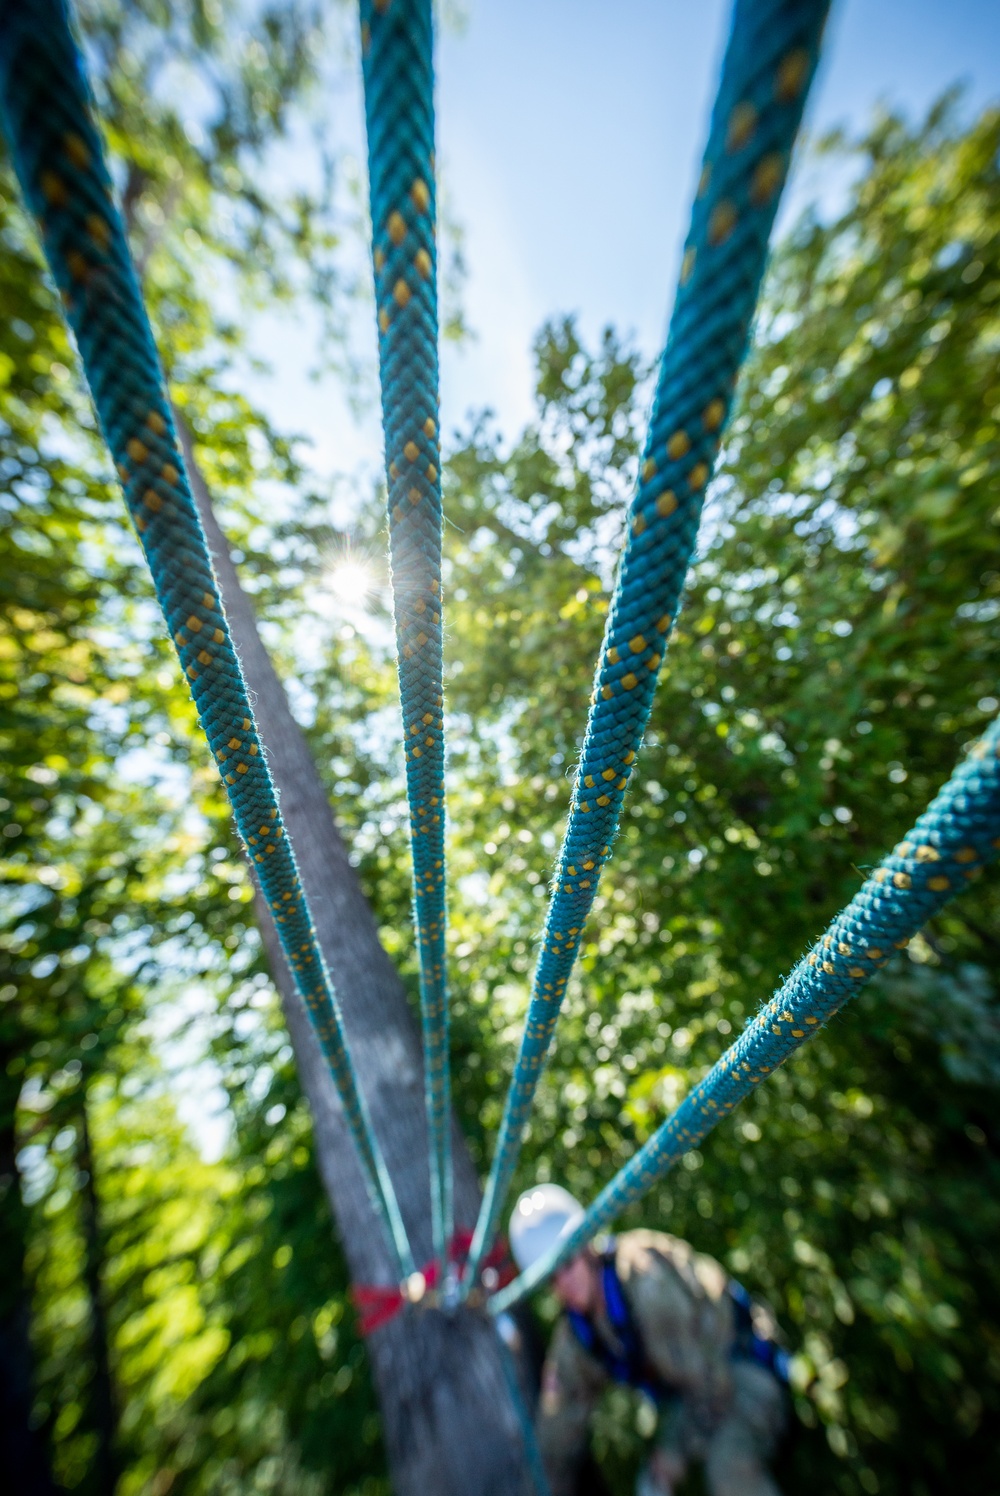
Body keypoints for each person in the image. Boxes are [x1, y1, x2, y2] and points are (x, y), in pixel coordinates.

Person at [509, 1185, 789, 1496]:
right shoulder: (578, 1336)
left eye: (567, 1264)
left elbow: (711, 1385)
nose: (565, 1283)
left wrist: (671, 1454)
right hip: (693, 1398)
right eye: (551, 1278)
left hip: (741, 1372)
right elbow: (556, 1431)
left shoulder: (646, 1283)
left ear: (587, 1245)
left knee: (728, 1469)